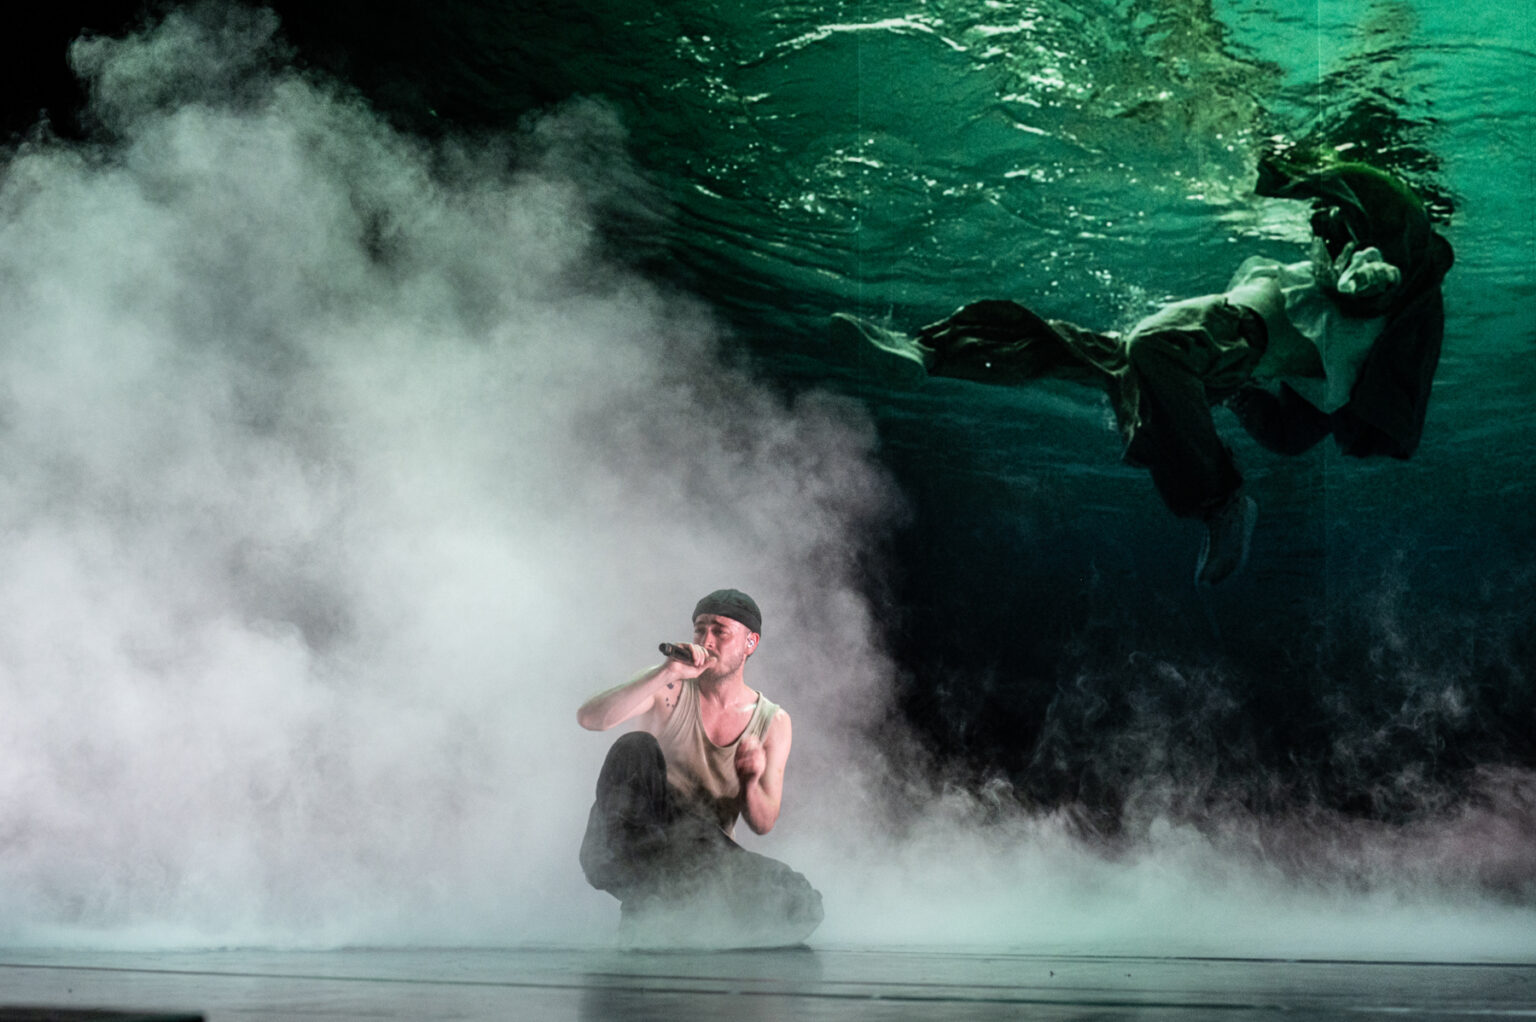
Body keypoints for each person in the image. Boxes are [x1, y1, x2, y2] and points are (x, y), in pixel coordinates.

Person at [832, 157, 1454, 585]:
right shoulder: (1322, 290)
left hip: (1231, 339)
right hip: (1222, 360)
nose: (1322, 232)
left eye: (1335, 224)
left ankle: (1222, 502)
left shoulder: (1373, 293)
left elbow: (1379, 256)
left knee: (1152, 345)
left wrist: (1362, 265)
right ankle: (930, 353)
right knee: (1074, 350)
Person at [575, 588, 823, 946]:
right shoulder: (668, 686)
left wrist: (750, 781)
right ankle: (657, 895)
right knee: (635, 747)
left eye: (720, 631)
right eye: (700, 629)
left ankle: (674, 913)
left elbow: (763, 823)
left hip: (702, 855)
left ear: (750, 643)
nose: (706, 640)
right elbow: (590, 719)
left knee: (802, 900)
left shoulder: (773, 721)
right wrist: (667, 670)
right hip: (634, 843)